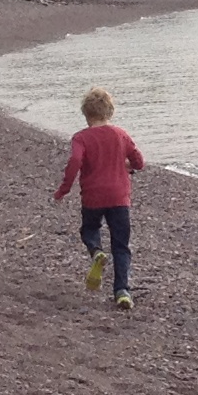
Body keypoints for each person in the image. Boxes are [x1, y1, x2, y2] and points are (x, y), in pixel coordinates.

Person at [54, 86, 146, 312]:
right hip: (119, 197)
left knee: (89, 230)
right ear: (110, 112)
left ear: (86, 114)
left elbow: (75, 161)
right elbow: (139, 162)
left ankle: (96, 251)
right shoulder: (120, 135)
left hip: (93, 196)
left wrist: (64, 189)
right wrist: (126, 165)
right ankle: (122, 291)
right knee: (121, 245)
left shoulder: (81, 138)